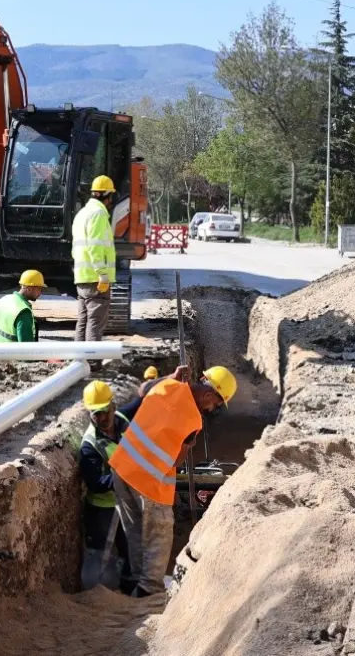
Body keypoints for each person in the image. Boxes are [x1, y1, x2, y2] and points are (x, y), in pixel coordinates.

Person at [108, 364, 237, 597]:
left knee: (134, 530)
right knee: (159, 535)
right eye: (216, 404)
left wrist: (171, 376)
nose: (212, 409)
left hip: (123, 468)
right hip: (150, 482)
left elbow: (142, 390)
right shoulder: (193, 420)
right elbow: (177, 461)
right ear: (209, 395)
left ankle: (132, 582)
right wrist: (189, 445)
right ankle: (148, 589)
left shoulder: (166, 385)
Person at [79, 380, 133, 591]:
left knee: (130, 550)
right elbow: (94, 484)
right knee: (102, 555)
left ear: (113, 406)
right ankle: (99, 597)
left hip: (126, 503)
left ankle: (130, 593)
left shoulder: (122, 421)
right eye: (96, 414)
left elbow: (143, 400)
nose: (102, 418)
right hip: (103, 510)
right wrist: (122, 476)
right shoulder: (89, 445)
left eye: (105, 411)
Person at [72, 175, 117, 342]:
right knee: (95, 323)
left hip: (82, 276)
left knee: (83, 321)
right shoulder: (98, 214)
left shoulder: (82, 213)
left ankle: (79, 356)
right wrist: (102, 273)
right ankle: (91, 357)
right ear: (107, 196)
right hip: (96, 279)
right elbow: (95, 245)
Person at [0, 269, 45, 343]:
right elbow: (26, 346)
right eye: (40, 289)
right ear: (29, 289)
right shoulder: (23, 312)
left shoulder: (4, 299)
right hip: (11, 350)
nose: (41, 293)